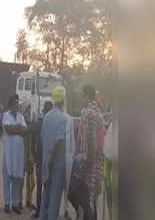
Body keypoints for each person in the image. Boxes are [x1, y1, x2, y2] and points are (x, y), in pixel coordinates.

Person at [68, 85, 105, 220]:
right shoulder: (98, 113)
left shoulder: (89, 113)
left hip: (88, 165)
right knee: (89, 202)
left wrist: (85, 168)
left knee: (76, 195)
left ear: (86, 96)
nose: (80, 99)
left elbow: (92, 142)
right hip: (96, 165)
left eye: (81, 96)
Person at [38, 86, 67, 220]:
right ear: (62, 101)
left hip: (46, 162)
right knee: (55, 198)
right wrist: (51, 160)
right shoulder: (62, 118)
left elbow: (43, 138)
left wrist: (47, 160)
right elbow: (58, 142)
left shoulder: (47, 116)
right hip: (56, 164)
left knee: (46, 194)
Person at [2, 94, 27, 215]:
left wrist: (15, 128)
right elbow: (8, 130)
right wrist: (17, 128)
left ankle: (15, 204)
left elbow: (24, 131)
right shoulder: (6, 115)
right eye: (15, 103)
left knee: (17, 178)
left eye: (18, 103)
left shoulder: (21, 116)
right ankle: (7, 204)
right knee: (7, 179)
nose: (17, 105)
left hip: (18, 154)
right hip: (9, 153)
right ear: (11, 104)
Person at [31, 100, 53, 219]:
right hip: (47, 158)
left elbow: (33, 138)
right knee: (46, 185)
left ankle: (40, 211)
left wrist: (33, 153)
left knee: (41, 185)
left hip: (41, 157)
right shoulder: (46, 121)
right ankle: (45, 211)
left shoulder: (40, 121)